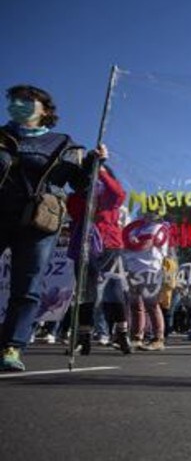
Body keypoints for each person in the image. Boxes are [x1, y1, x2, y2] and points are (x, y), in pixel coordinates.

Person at [0, 85, 106, 371]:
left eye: (27, 101)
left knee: (27, 286)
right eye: (14, 101)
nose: (18, 105)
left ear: (45, 110)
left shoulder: (63, 144)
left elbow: (81, 185)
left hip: (39, 219)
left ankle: (12, 346)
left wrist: (94, 163)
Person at [65, 164, 132, 356]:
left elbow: (118, 194)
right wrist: (84, 188)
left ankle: (121, 334)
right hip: (86, 246)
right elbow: (75, 212)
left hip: (110, 245)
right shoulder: (79, 195)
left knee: (115, 290)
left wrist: (101, 170)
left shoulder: (111, 195)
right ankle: (84, 338)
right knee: (86, 291)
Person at [123, 213, 168, 351]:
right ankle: (136, 337)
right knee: (135, 305)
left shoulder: (160, 228)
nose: (147, 213)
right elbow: (127, 243)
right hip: (133, 268)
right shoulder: (136, 228)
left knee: (151, 304)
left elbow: (153, 244)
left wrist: (140, 241)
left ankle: (158, 339)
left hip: (150, 269)